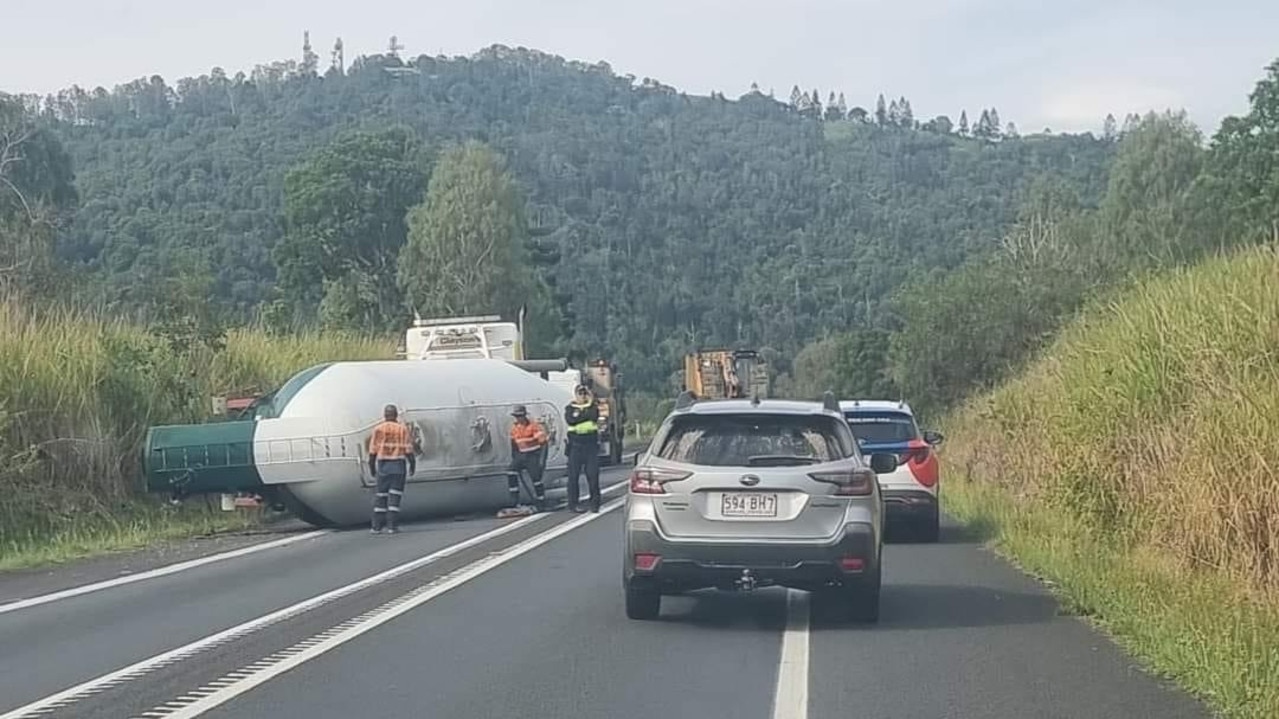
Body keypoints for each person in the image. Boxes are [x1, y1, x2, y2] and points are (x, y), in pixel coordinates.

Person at [367, 404, 416, 534]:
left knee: (381, 496)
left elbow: (372, 451)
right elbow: (408, 450)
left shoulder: (378, 429)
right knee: (395, 496)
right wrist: (412, 465)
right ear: (396, 415)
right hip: (398, 465)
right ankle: (392, 527)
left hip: (383, 465)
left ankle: (376, 527)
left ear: (385, 415)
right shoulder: (402, 429)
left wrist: (372, 468)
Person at [564, 384, 602, 513]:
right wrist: (584, 415)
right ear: (575, 394)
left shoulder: (593, 407)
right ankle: (573, 504)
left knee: (593, 475)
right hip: (575, 446)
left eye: (585, 393)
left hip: (590, 446)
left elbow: (593, 416)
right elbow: (571, 420)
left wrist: (584, 411)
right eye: (580, 393)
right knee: (573, 477)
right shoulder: (570, 408)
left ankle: (595, 503)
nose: (583, 396)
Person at [507, 405, 549, 508]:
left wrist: (542, 460)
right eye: (516, 416)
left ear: (524, 416)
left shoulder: (533, 426)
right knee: (511, 472)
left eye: (520, 416)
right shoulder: (514, 428)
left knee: (536, 478)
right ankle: (515, 500)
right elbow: (513, 444)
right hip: (521, 455)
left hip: (532, 455)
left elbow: (544, 443)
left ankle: (541, 500)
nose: (518, 418)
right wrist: (515, 457)